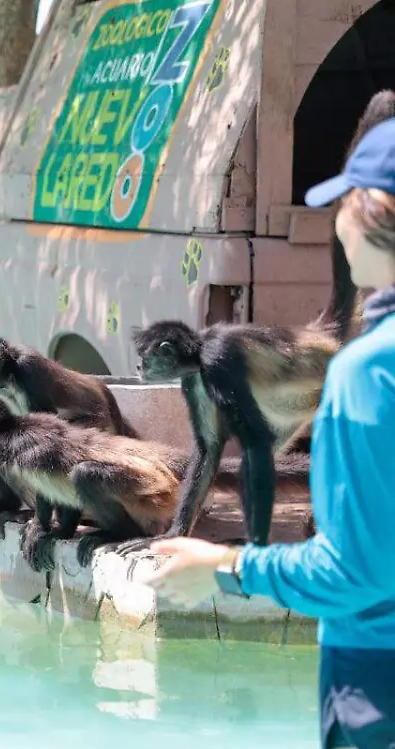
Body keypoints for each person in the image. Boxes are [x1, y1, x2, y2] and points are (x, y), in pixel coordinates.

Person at [141, 118, 395, 749]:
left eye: (341, 204)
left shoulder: (368, 372)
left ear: (369, 216)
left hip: (375, 681)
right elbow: (210, 453)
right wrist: (179, 531)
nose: (334, 221)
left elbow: (357, 571)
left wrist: (233, 564)